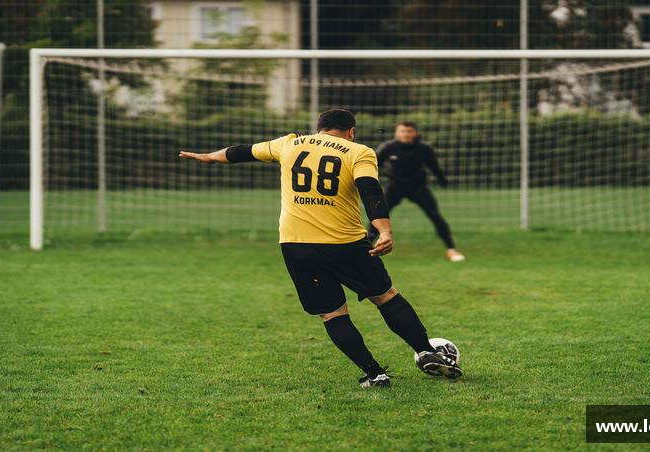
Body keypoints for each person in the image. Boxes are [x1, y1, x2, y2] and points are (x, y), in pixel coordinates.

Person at [179, 109, 462, 388]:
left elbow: (241, 152)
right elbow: (370, 190)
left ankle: (374, 374)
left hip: (295, 245)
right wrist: (384, 230)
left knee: (332, 314)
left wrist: (209, 157)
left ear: (319, 128)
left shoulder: (289, 143)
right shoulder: (359, 151)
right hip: (345, 243)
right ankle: (426, 351)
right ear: (351, 132)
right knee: (385, 296)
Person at [368, 121, 465, 262]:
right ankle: (366, 248)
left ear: (415, 133)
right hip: (395, 186)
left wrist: (442, 180)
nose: (406, 134)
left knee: (435, 216)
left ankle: (451, 249)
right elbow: (373, 164)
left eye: (409, 131)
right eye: (402, 131)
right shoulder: (389, 147)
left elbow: (434, 166)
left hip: (418, 187)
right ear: (396, 133)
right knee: (379, 216)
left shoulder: (424, 148)